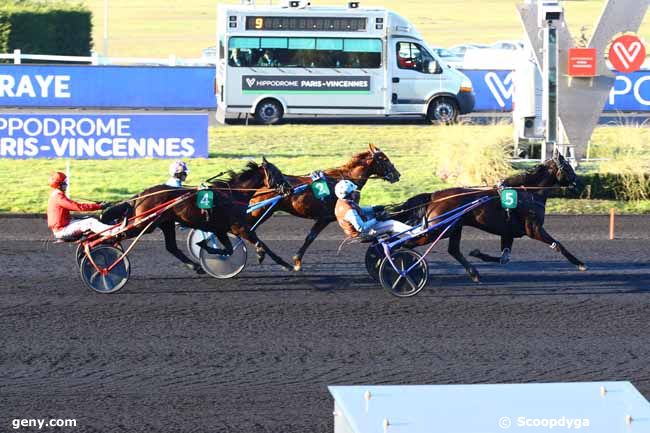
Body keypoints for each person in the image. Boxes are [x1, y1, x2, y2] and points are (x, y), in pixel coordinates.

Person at [47, 172, 123, 240]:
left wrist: (98, 205)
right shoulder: (58, 197)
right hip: (62, 230)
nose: (66, 185)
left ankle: (107, 231)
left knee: (89, 219)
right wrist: (98, 206)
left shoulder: (56, 195)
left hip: (64, 225)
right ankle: (115, 231)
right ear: (59, 185)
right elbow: (78, 207)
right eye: (64, 183)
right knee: (90, 222)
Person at [334, 180, 419, 239]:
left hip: (359, 227)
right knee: (393, 224)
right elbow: (361, 228)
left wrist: (374, 209)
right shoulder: (349, 210)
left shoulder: (343, 202)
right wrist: (377, 219)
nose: (355, 193)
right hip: (363, 233)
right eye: (353, 192)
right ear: (348, 194)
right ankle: (417, 232)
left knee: (386, 214)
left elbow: (360, 211)